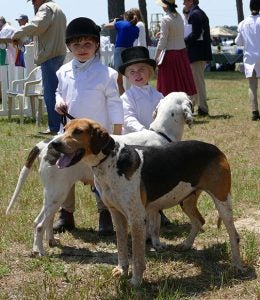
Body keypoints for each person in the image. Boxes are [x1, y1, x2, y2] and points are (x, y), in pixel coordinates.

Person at [53, 17, 124, 235]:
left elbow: (114, 103)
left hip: (95, 138)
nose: (82, 49)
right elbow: (59, 92)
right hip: (69, 136)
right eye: (76, 45)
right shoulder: (63, 71)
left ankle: (105, 212)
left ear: (96, 45)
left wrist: (117, 133)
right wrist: (58, 102)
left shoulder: (107, 74)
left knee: (100, 175)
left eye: (87, 44)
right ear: (69, 47)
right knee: (65, 171)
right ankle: (66, 213)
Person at [119, 46, 171, 226]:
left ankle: (158, 211)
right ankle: (138, 213)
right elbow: (128, 118)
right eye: (132, 71)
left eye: (142, 70)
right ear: (127, 76)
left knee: (157, 179)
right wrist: (144, 132)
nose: (137, 74)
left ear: (149, 72)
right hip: (135, 144)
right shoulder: (127, 97)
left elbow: (164, 117)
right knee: (137, 181)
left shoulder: (159, 96)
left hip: (156, 145)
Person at [12, 0, 67, 135]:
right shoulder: (57, 8)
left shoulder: (45, 8)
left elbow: (37, 25)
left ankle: (54, 127)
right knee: (56, 91)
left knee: (50, 93)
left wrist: (17, 34)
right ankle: (60, 125)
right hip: (57, 52)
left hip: (49, 54)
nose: (32, 3)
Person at [154, 0, 197, 99]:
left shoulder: (166, 19)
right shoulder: (179, 17)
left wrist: (155, 57)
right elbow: (177, 34)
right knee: (181, 84)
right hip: (181, 53)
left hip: (170, 55)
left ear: (165, 6)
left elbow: (163, 41)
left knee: (169, 86)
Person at [183, 0, 212, 116]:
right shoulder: (197, 13)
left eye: (185, 1)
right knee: (196, 82)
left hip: (197, 52)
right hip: (199, 52)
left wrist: (183, 41)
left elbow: (196, 33)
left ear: (191, 1)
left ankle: (203, 109)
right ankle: (194, 106)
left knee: (198, 82)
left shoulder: (195, 14)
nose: (183, 3)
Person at [235, 0, 260, 121]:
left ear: (250, 7)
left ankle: (255, 111)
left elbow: (238, 42)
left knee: (252, 86)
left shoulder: (243, 24)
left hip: (250, 58)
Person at [104, 9, 139, 95]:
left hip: (119, 51)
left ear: (125, 17)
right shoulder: (136, 29)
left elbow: (107, 26)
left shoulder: (121, 24)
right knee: (130, 76)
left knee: (119, 80)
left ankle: (123, 98)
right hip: (129, 52)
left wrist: (115, 22)